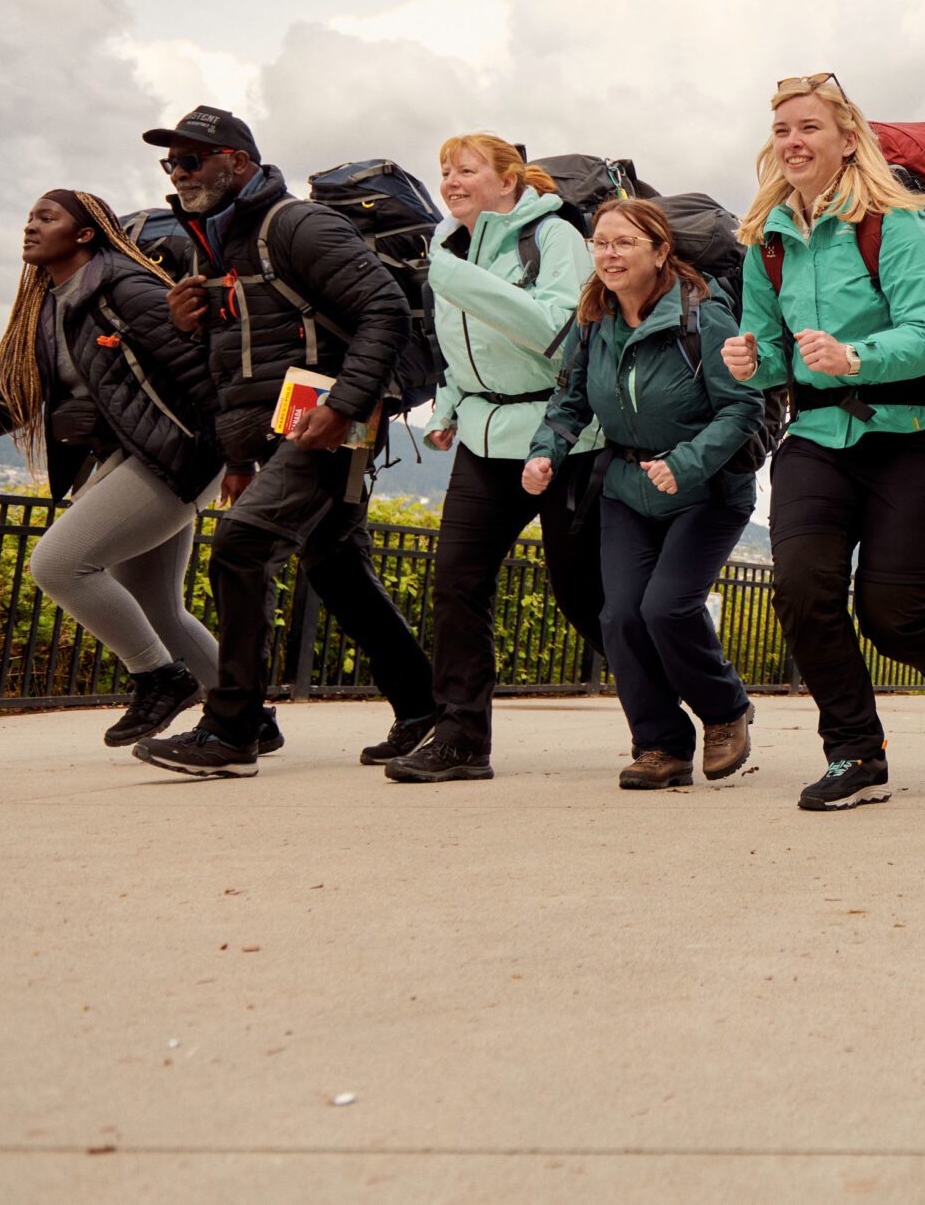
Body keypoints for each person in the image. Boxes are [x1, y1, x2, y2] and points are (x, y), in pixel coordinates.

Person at [130, 108, 439, 778]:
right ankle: (424, 707)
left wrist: (343, 406)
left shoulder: (296, 224)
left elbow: (382, 309)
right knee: (336, 566)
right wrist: (238, 453)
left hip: (329, 416)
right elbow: (237, 365)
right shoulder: (211, 243)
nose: (178, 174)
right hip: (283, 425)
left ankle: (235, 727)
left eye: (192, 160)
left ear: (237, 162)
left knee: (241, 547)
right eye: (171, 164)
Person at [720, 73, 925, 811]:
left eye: (808, 128)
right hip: (813, 437)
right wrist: (753, 359)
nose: (793, 141)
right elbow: (773, 350)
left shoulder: (893, 221)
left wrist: (855, 357)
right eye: (782, 130)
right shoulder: (766, 238)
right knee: (802, 589)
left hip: (909, 436)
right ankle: (855, 752)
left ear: (847, 139)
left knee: (890, 612)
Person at [0, 190, 222, 747]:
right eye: (29, 217)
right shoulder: (45, 309)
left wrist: (242, 456)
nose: (30, 226)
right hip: (125, 460)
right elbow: (11, 407)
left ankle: (159, 678)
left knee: (59, 564)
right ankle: (245, 717)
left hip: (175, 455)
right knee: (159, 607)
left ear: (85, 234)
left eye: (46, 217)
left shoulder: (125, 289)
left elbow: (200, 373)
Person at [383, 134, 606, 783]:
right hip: (483, 438)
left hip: (561, 435)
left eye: (467, 169)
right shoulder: (454, 248)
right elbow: (461, 347)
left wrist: (459, 280)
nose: (451, 180)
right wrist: (448, 405)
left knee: (583, 597)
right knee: (457, 580)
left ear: (508, 180)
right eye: (444, 170)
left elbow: (557, 335)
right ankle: (460, 737)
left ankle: (695, 692)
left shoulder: (554, 236)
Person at [527, 197, 761, 791]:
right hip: (627, 490)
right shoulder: (595, 320)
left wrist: (684, 464)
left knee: (667, 607)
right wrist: (543, 453)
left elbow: (742, 407)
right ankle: (660, 745)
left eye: (624, 242)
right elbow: (570, 401)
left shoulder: (703, 317)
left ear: (660, 252)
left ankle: (726, 708)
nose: (608, 254)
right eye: (600, 243)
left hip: (708, 491)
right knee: (621, 616)